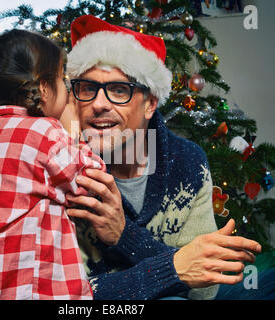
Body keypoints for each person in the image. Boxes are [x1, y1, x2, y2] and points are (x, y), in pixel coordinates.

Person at [64, 15, 263, 300]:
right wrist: (172, 270)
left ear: (150, 103)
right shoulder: (59, 166)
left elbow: (205, 290)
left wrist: (124, 236)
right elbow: (57, 295)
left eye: (119, 90)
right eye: (87, 88)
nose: (97, 104)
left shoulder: (187, 163)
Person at [0, 29, 106, 300]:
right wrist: (71, 128)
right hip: (31, 283)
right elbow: (91, 179)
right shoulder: (44, 132)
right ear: (44, 89)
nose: (67, 89)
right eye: (62, 79)